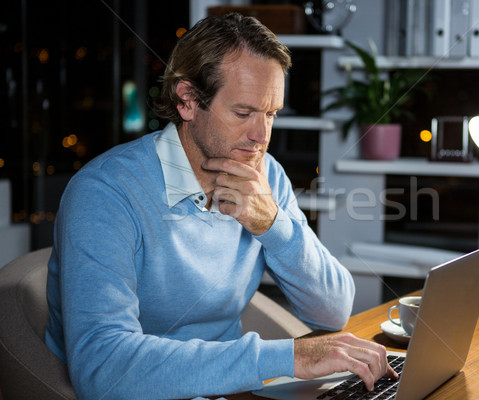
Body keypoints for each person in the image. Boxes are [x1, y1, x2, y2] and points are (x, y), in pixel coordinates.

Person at [45, 13, 397, 399]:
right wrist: (286, 357)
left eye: (271, 114)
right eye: (243, 113)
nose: (261, 136)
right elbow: (103, 368)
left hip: (228, 390)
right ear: (188, 101)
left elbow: (333, 310)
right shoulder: (104, 193)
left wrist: (273, 225)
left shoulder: (264, 175)